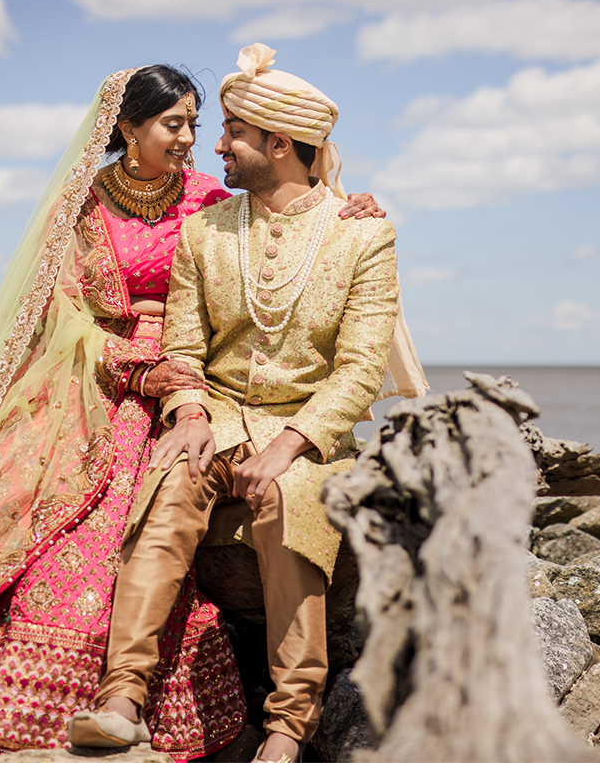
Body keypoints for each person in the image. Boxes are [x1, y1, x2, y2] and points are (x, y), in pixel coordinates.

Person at [0, 66, 387, 759]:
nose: (198, 141)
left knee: (219, 510)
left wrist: (351, 200)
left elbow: (306, 239)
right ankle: (96, 699)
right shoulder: (114, 211)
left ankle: (279, 726)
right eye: (178, 123)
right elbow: (71, 315)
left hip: (227, 401)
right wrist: (163, 386)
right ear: (127, 128)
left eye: (204, 125)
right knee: (29, 509)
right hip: (116, 381)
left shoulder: (220, 206)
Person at [71, 44, 420, 763]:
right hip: (218, 414)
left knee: (290, 503)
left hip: (305, 430)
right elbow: (184, 347)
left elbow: (357, 374)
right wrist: (191, 415)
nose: (214, 145)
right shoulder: (205, 229)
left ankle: (290, 725)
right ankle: (121, 699)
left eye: (230, 131)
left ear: (280, 146)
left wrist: (288, 447)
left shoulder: (364, 234)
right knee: (169, 484)